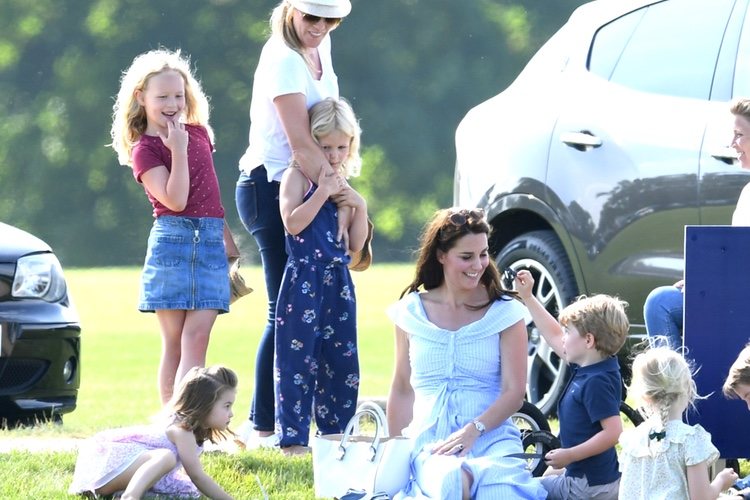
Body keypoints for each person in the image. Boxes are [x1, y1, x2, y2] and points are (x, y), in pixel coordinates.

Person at [234, 0, 352, 448]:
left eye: (330, 19)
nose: (320, 27)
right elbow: (300, 142)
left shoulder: (321, 45)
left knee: (309, 313)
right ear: (290, 11)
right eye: (311, 17)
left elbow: (329, 122)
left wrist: (341, 189)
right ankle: (264, 424)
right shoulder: (282, 57)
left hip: (311, 184)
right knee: (282, 310)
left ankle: (282, 419)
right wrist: (342, 193)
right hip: (274, 187)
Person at [386, 208, 547, 499]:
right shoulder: (410, 312)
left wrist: (475, 429)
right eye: (467, 257)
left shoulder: (506, 313)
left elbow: (513, 393)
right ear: (441, 255)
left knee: (500, 495)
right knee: (450, 481)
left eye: (483, 254)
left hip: (492, 437)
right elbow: (401, 387)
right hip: (432, 442)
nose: (478, 264)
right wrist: (394, 449)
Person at [110, 48, 235, 405]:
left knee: (198, 338)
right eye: (162, 96)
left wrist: (228, 247)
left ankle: (190, 422)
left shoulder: (199, 134)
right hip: (173, 245)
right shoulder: (144, 149)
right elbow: (175, 200)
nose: (172, 103)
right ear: (141, 97)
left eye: (178, 95)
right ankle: (175, 424)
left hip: (209, 242)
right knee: (175, 343)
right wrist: (176, 150)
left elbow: (210, 194)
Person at [274, 96, 368, 455]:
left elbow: (356, 244)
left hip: (337, 281)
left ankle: (334, 434)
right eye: (325, 146)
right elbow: (292, 222)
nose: (333, 155)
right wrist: (323, 193)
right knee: (297, 360)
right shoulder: (296, 176)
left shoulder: (342, 183)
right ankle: (294, 438)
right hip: (303, 279)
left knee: (342, 360)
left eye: (341, 147)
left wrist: (357, 204)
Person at [644, 97, 750, 349]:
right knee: (661, 302)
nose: (732, 144)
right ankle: (676, 387)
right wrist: (703, 278)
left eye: (739, 135)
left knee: (661, 304)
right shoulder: (747, 192)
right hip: (733, 292)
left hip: (741, 296)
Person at [515, 271, 627, 500]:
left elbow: (613, 432)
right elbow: (553, 334)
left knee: (522, 490)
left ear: (588, 340)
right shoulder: (593, 364)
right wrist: (528, 297)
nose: (563, 336)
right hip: (587, 476)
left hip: (589, 487)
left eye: (568, 331)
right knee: (547, 473)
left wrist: (570, 455)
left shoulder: (596, 381)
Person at [69, 365, 237, 499]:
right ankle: (130, 496)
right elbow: (197, 476)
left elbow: (189, 474)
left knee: (188, 492)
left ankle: (124, 492)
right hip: (105, 469)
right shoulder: (182, 430)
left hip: (118, 473)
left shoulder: (194, 431)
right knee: (166, 457)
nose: (231, 413)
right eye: (226, 406)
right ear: (204, 404)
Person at [618, 346, 737, 499]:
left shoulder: (633, 441)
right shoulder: (689, 440)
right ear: (688, 389)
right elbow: (701, 498)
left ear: (645, 396)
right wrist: (721, 481)